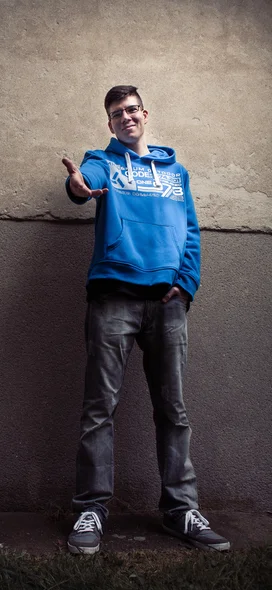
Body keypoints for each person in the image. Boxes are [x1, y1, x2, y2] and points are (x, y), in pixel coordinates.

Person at [62, 85, 230, 555]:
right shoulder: (103, 161)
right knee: (100, 410)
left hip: (167, 304)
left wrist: (188, 282)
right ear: (110, 123)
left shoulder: (176, 172)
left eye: (132, 109)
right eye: (117, 113)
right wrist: (77, 186)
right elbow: (83, 183)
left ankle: (181, 511)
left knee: (173, 411)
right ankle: (91, 510)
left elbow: (190, 229)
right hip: (114, 298)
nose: (126, 117)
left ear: (145, 113)